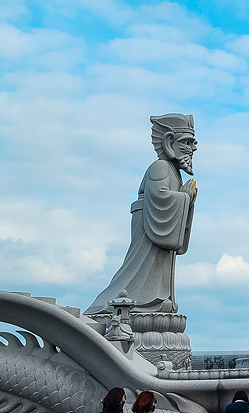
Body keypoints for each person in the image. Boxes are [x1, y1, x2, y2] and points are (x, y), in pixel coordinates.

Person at [85, 114, 198, 315]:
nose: (193, 149)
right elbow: (159, 198)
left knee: (161, 288)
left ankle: (156, 300)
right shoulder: (160, 167)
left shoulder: (174, 172)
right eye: (187, 142)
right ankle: (131, 303)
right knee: (137, 273)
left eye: (193, 143)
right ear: (169, 142)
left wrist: (187, 201)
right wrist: (184, 197)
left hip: (161, 235)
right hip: (150, 229)